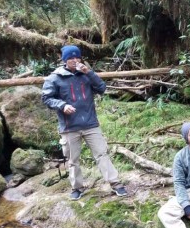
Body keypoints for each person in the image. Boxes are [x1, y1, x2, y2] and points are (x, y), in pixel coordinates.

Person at [42, 45, 127, 200]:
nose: (75, 61)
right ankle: (77, 188)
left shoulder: (86, 74)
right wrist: (62, 105)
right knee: (73, 160)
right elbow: (46, 98)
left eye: (77, 57)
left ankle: (116, 184)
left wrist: (89, 72)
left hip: (90, 124)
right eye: (70, 58)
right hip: (69, 127)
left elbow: (102, 88)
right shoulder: (54, 77)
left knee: (102, 154)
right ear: (64, 60)